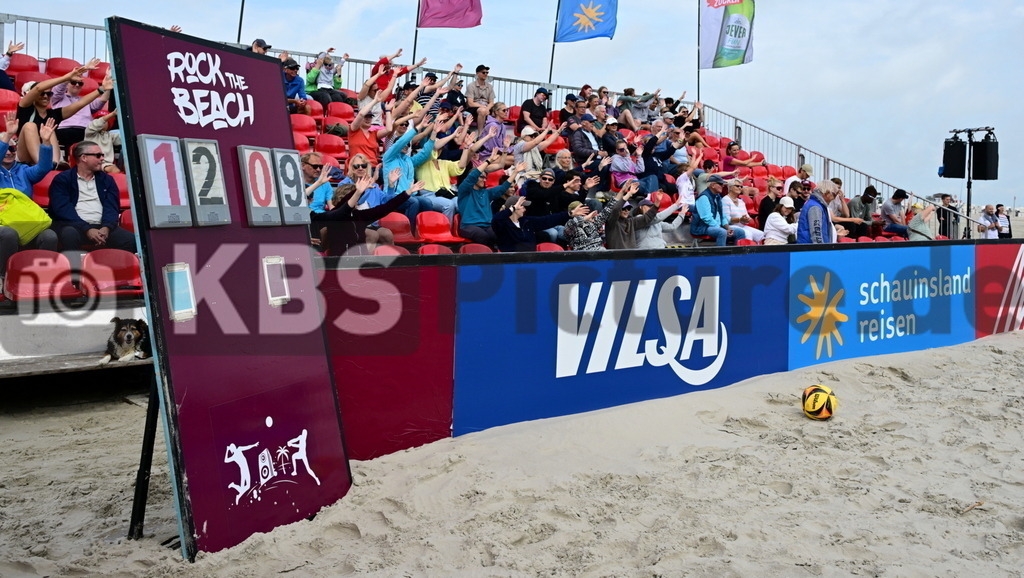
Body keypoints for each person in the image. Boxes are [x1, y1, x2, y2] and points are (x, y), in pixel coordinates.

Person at [48, 140, 136, 253]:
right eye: (98, 155)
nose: (102, 158)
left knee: (131, 240)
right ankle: (75, 264)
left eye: (102, 155)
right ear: (84, 157)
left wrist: (106, 227)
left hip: (102, 227)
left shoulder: (107, 180)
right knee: (69, 234)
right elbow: (63, 210)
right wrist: (87, 229)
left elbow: (112, 207)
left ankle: (114, 264)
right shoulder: (62, 179)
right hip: (74, 226)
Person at [17, 58, 107, 166]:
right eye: (42, 94)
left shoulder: (54, 114)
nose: (45, 96)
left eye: (49, 94)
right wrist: (67, 77)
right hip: (25, 155)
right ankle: (42, 166)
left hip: (47, 153)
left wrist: (102, 89)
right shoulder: (25, 107)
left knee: (50, 129)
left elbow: (80, 103)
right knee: (30, 126)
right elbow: (38, 88)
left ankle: (55, 164)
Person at [311, 174, 412, 256]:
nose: (358, 200)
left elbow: (387, 207)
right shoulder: (333, 217)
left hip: (360, 262)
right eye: (357, 197)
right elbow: (343, 208)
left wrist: (408, 192)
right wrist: (358, 192)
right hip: (341, 264)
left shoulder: (360, 216)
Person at [456, 153, 523, 246]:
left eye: (485, 178)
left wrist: (515, 172)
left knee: (502, 233)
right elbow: (472, 176)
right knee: (483, 236)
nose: (484, 180)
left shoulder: (487, 193)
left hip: (487, 226)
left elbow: (503, 188)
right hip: (469, 226)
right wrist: (489, 161)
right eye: (482, 177)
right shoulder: (464, 191)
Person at [492, 195, 583, 253]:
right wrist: (512, 208)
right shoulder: (502, 224)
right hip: (510, 262)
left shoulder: (527, 221)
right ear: (514, 208)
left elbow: (548, 220)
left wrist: (569, 214)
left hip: (531, 261)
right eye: (522, 206)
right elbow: (496, 219)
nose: (525, 209)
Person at [49, 70, 113, 149]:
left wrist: (108, 82)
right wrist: (69, 77)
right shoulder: (57, 98)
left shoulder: (86, 100)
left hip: (86, 131)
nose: (77, 85)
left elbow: (103, 99)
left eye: (80, 83)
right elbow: (58, 90)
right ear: (67, 85)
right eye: (73, 82)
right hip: (65, 130)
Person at [1, 112, 54, 195]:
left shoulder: (23, 170)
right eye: (5, 149)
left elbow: (44, 168)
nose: (8, 153)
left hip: (24, 203)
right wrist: (8, 135)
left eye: (11, 149)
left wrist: (46, 142)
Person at [691, 175, 745, 246]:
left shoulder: (718, 197)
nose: (723, 186)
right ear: (713, 185)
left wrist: (727, 227)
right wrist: (721, 228)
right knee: (722, 232)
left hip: (716, 226)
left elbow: (723, 216)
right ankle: (721, 253)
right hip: (702, 227)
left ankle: (738, 252)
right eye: (720, 184)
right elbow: (706, 218)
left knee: (740, 232)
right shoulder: (704, 197)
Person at [722, 178, 764, 243]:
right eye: (737, 186)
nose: (740, 188)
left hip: (742, 226)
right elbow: (726, 219)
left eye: (741, 186)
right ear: (730, 187)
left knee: (761, 235)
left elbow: (747, 217)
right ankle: (748, 249)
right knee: (748, 234)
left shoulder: (741, 201)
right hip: (730, 227)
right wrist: (740, 219)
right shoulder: (725, 200)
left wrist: (747, 219)